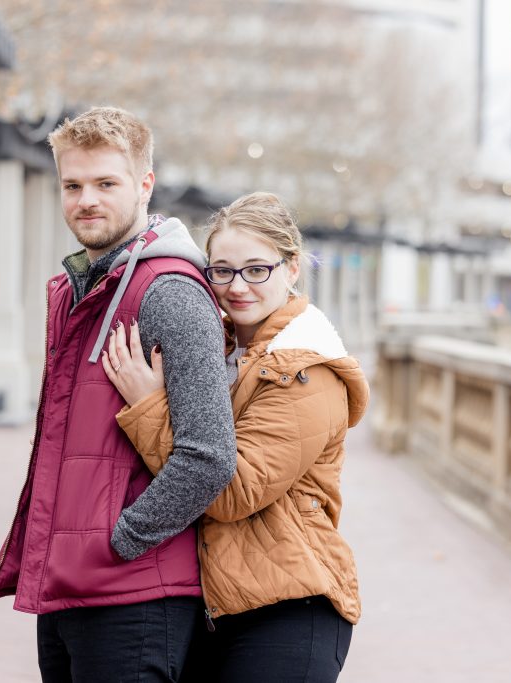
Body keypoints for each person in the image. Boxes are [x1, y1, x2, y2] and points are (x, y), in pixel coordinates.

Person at [0, 106, 238, 683]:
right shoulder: (81, 289)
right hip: (69, 589)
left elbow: (209, 455)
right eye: (72, 185)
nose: (85, 200)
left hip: (134, 599)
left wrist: (119, 541)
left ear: (144, 185)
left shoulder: (169, 292)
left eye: (105, 183)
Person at [103, 192, 369, 682]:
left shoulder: (306, 370)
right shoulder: (216, 348)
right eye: (221, 271)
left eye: (256, 270)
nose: (237, 286)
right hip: (218, 607)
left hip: (290, 607)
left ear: (291, 268)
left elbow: (230, 489)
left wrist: (148, 408)